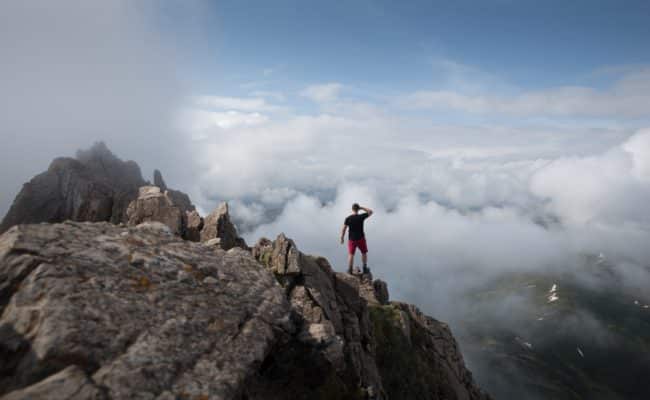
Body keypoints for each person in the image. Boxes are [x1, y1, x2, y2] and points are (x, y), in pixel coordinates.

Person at [340, 203, 373, 275]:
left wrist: (342, 238)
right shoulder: (361, 216)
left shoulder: (348, 218)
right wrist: (362, 207)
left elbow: (344, 229)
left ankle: (350, 270)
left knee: (351, 254)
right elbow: (370, 211)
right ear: (358, 209)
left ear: (352, 209)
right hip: (361, 238)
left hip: (352, 239)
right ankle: (364, 268)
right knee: (364, 253)